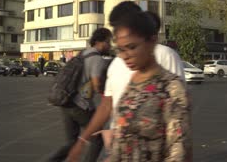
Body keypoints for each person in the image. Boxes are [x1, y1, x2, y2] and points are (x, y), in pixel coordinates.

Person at [75, 10, 191, 161]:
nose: (125, 56)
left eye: (131, 47)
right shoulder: (131, 76)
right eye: (121, 49)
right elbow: (109, 106)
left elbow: (180, 143)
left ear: (151, 40)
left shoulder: (168, 74)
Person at [48, 27, 112, 162]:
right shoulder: (96, 59)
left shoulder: (83, 54)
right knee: (97, 139)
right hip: (81, 106)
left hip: (67, 101)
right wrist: (107, 91)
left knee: (71, 141)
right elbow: (96, 84)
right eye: (108, 41)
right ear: (100, 42)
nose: (110, 45)